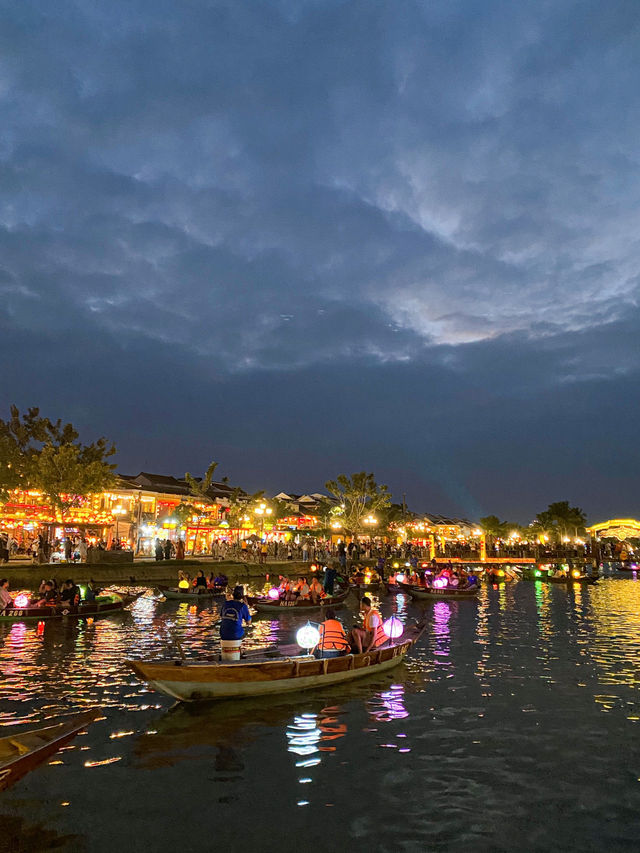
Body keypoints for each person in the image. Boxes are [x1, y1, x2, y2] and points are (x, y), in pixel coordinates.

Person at [219, 586, 251, 660]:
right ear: (242, 596)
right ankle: (240, 650)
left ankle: (239, 650)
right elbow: (249, 622)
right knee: (249, 629)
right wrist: (246, 607)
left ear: (233, 595)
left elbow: (222, 617)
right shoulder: (243, 606)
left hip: (223, 634)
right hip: (235, 635)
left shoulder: (225, 604)